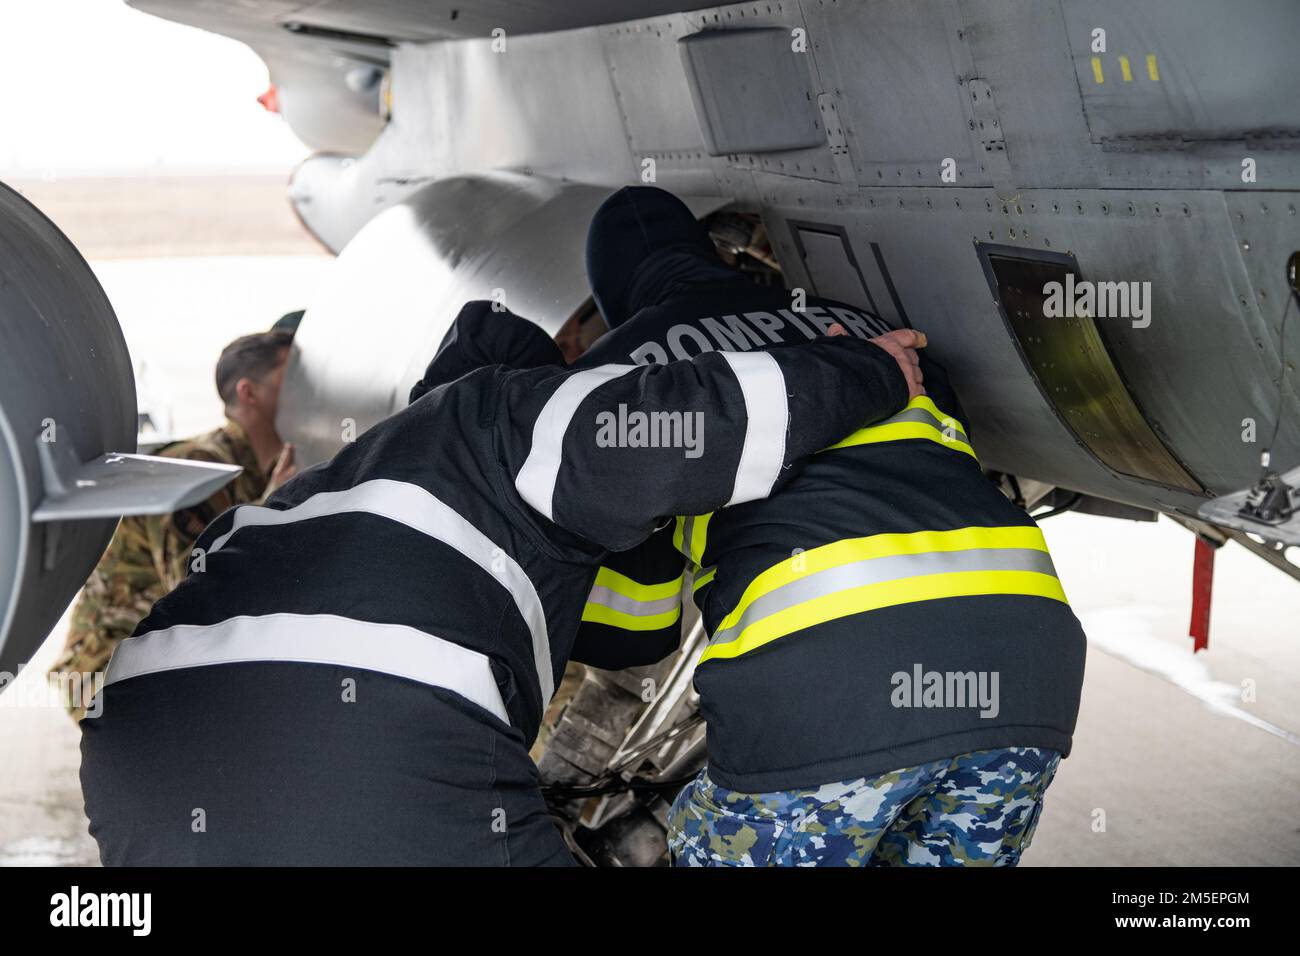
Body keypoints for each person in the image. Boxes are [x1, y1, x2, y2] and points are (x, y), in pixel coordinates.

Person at [80, 299, 918, 866]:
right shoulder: (507, 414)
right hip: (376, 744)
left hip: (137, 757)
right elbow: (689, 427)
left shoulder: (328, 482)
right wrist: (871, 376)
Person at [569, 186, 1087, 867]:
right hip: (1027, 663)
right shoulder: (862, 326)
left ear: (612, 286)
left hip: (832, 697)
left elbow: (632, 629)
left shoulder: (627, 369)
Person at [52, 330, 297, 720]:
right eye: (293, 377)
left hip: (166, 661)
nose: (307, 391)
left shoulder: (259, 474)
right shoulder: (202, 470)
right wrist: (271, 510)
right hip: (112, 668)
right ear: (249, 393)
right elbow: (198, 603)